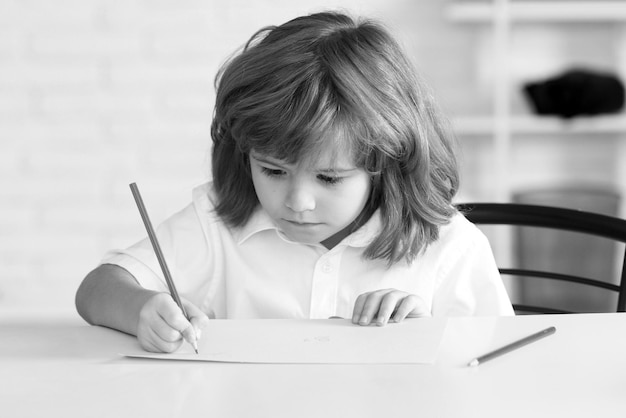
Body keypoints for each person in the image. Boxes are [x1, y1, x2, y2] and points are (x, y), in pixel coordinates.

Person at [75, 11, 513, 353]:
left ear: (388, 161)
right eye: (273, 170)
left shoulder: (448, 246)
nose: (298, 202)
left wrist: (431, 334)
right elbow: (97, 290)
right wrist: (141, 310)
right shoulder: (219, 223)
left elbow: (503, 362)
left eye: (329, 177)